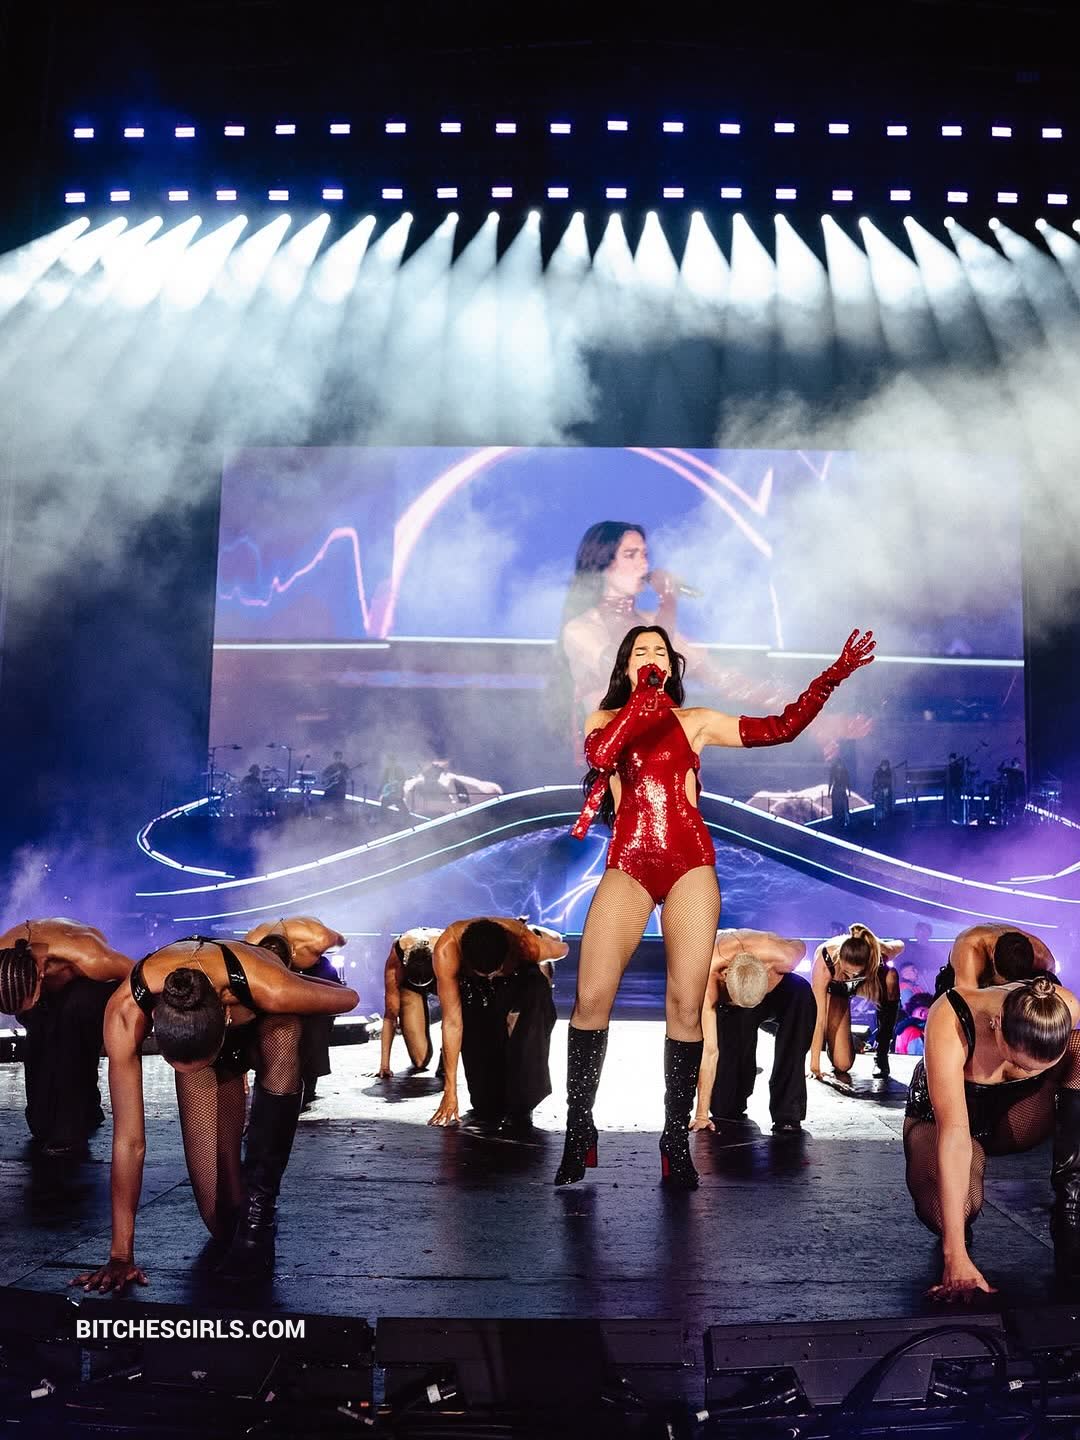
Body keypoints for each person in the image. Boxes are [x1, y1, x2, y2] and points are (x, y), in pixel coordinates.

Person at [556, 623, 875, 1189]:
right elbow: (602, 755)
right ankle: (579, 1126)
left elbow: (781, 727)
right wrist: (642, 705)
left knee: (686, 1005)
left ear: (672, 666)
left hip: (689, 864)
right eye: (639, 652)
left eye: (659, 651)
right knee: (590, 998)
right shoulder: (603, 720)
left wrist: (834, 674)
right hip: (629, 863)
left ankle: (674, 1139)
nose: (650, 657)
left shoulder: (695, 722)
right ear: (625, 667)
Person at [71, 936, 358, 1293]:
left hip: (264, 1020)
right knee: (222, 1221)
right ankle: (244, 1213)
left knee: (284, 1032)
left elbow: (349, 997)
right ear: (156, 1019)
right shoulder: (126, 1009)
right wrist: (120, 1255)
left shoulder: (270, 987)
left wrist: (288, 978)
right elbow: (129, 1141)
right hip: (205, 1033)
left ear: (224, 1016)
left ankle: (261, 1210)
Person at [904, 974, 1080, 1298]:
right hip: (946, 1123)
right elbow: (955, 1133)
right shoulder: (952, 1017)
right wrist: (955, 1255)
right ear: (997, 1024)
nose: (1026, 1072)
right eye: (1017, 1063)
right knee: (947, 1215)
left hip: (1015, 1118)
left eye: (1036, 1069)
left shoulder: (1065, 1006)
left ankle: (1071, 1213)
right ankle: (960, 1216)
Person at [0, 919, 132, 1156]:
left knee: (72, 1015)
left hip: (93, 989)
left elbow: (138, 977)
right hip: (46, 995)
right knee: (40, 1124)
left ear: (40, 976)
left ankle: (70, 1128)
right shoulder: (4, 960)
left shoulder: (89, 957)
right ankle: (84, 1110)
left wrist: (124, 1027)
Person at [428, 918, 568, 1137]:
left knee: (534, 1010)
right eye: (484, 974)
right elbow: (452, 1022)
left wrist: (543, 944)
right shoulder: (447, 951)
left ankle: (523, 1102)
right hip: (474, 987)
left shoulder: (527, 944)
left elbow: (563, 948)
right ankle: (489, 1096)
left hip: (523, 981)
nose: (490, 977)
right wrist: (450, 1090)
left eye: (494, 971)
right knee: (486, 1105)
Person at [690, 929, 814, 1136]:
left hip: (773, 991)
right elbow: (709, 1050)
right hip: (734, 1003)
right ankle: (737, 1088)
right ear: (724, 977)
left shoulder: (783, 957)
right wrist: (701, 1114)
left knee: (800, 991)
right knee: (724, 1107)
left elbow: (800, 944)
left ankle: (788, 1111)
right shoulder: (708, 973)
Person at [244, 917, 348, 1108]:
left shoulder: (318, 938)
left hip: (314, 971)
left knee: (315, 1030)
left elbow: (342, 942)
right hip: (269, 978)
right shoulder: (250, 944)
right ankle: (270, 1073)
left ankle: (309, 1080)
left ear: (292, 953)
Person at [809, 924, 904, 1082]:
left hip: (866, 984)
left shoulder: (877, 952)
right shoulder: (824, 961)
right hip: (837, 991)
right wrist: (814, 1066)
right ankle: (846, 1039)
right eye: (847, 972)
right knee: (842, 1064)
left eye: (855, 973)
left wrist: (880, 944)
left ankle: (881, 1053)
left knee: (891, 977)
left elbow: (900, 945)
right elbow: (818, 1018)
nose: (851, 977)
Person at [378, 927, 444, 1076]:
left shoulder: (447, 951)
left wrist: (447, 1056)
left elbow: (454, 1015)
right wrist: (384, 1065)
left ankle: (444, 1056)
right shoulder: (397, 957)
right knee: (420, 1060)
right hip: (410, 986)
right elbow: (390, 1013)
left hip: (441, 976)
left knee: (458, 1011)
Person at [934, 924, 1055, 996]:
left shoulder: (1042, 958)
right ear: (992, 955)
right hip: (959, 984)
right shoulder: (969, 950)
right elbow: (965, 1002)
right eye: (1001, 980)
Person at [403, 758, 503, 819]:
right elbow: (414, 806)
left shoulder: (453, 779)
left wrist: (456, 783)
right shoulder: (413, 787)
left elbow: (496, 793)